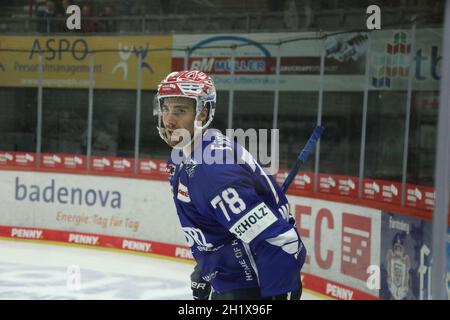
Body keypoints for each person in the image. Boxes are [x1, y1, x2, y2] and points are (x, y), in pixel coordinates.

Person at [153, 70, 306, 300]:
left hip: (253, 288)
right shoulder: (182, 159)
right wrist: (207, 269)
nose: (169, 119)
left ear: (202, 114)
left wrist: (277, 294)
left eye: (180, 110)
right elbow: (220, 228)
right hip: (232, 280)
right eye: (166, 108)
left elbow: (280, 241)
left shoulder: (212, 171)